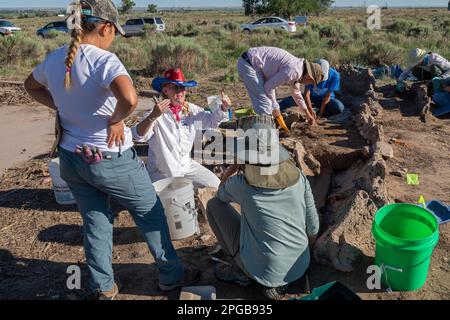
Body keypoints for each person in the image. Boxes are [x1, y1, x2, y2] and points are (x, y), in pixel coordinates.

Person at [24, 0, 199, 300]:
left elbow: (31, 86)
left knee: (95, 219)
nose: (114, 36)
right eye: (114, 31)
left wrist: (61, 108)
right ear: (105, 27)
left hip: (72, 157)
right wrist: (116, 119)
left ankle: (103, 286)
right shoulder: (104, 61)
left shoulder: (56, 59)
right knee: (150, 212)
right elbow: (129, 98)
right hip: (110, 156)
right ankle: (171, 275)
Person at [207, 120, 320, 300]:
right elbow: (313, 228)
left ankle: (241, 271)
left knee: (213, 206)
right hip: (300, 264)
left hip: (266, 273)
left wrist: (235, 166)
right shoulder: (298, 177)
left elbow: (219, 195)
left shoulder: (242, 185)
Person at [132, 68, 230, 189]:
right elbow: (138, 135)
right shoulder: (156, 113)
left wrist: (223, 108)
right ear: (165, 90)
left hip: (186, 166)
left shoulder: (191, 110)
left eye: (182, 87)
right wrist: (153, 116)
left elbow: (212, 122)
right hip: (163, 172)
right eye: (175, 87)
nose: (180, 91)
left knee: (216, 186)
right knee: (175, 199)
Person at [237, 47, 324, 131]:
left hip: (254, 64)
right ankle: (264, 137)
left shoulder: (299, 70)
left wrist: (307, 114)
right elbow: (269, 87)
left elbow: (296, 93)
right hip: (249, 64)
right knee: (265, 104)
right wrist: (275, 106)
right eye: (311, 82)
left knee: (268, 103)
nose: (308, 84)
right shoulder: (294, 71)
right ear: (309, 76)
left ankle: (266, 128)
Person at [278, 59, 345, 118]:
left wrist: (321, 114)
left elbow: (327, 96)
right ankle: (275, 110)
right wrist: (309, 109)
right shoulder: (310, 73)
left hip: (325, 101)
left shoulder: (335, 76)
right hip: (311, 98)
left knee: (339, 107)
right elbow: (307, 93)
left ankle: (318, 113)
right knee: (292, 99)